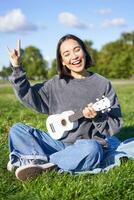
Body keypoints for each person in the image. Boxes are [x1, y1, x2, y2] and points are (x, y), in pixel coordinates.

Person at [7, 34, 123, 181]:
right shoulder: (55, 84)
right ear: (62, 61)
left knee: (92, 150)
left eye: (77, 50)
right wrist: (17, 68)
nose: (74, 56)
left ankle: (34, 161)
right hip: (58, 144)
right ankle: (45, 163)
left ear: (84, 52)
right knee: (18, 129)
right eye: (66, 54)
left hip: (85, 147)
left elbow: (115, 126)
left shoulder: (102, 84)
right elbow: (28, 96)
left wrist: (97, 116)